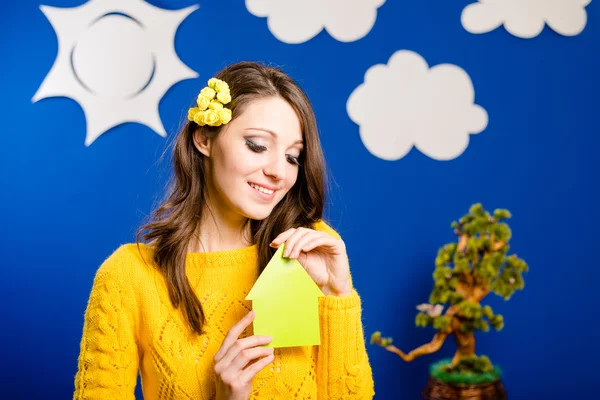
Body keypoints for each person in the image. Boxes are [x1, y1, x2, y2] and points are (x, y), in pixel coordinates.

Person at [73, 61, 375, 400]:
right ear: (204, 138)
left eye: (293, 157)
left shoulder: (308, 252)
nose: (279, 171)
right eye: (258, 145)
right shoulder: (129, 277)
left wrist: (338, 297)